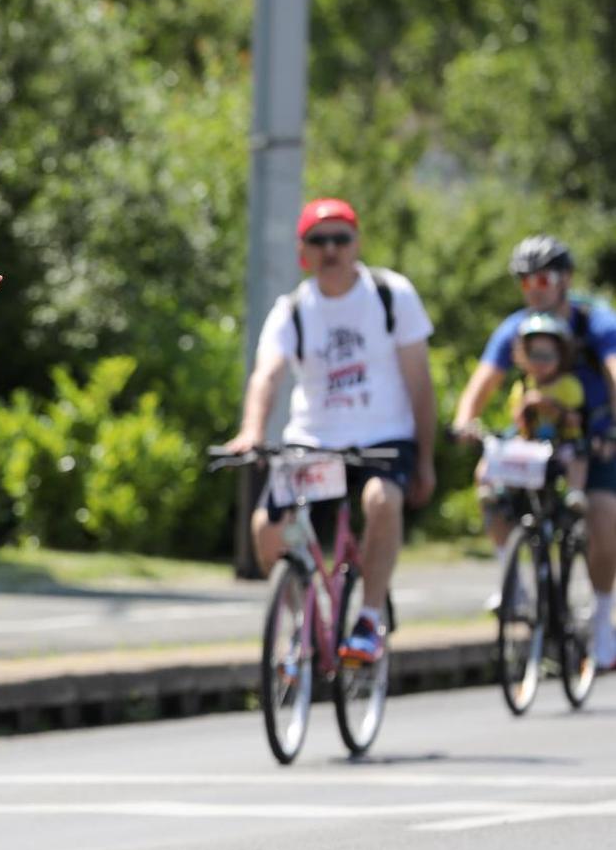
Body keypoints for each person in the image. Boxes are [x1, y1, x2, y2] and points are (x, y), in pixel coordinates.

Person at [225, 197, 438, 665]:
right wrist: (251, 429)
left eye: (341, 238)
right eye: (319, 240)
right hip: (315, 440)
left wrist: (424, 459)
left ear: (356, 243)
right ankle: (303, 626)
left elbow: (419, 383)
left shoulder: (390, 295)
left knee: (382, 500)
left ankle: (368, 619)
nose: (331, 249)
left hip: (383, 437)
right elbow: (267, 375)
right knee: (267, 528)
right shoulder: (293, 309)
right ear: (304, 251)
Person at [453, 235, 616, 665]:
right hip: (535, 435)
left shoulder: (593, 321)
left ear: (565, 280)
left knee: (602, 517)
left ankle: (602, 617)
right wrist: (466, 419)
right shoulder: (517, 327)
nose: (534, 289)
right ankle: (515, 579)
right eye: (525, 282)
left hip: (590, 434)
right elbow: (483, 382)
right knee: (488, 477)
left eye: (542, 279)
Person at [502, 313, 587, 508]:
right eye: (535, 355)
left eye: (548, 356)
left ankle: (575, 492)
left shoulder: (569, 385)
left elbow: (576, 420)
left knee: (578, 455)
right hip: (532, 446)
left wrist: (552, 407)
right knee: (507, 446)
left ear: (561, 356)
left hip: (563, 444)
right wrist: (525, 406)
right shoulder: (522, 387)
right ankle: (504, 490)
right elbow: (518, 423)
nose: (541, 362)